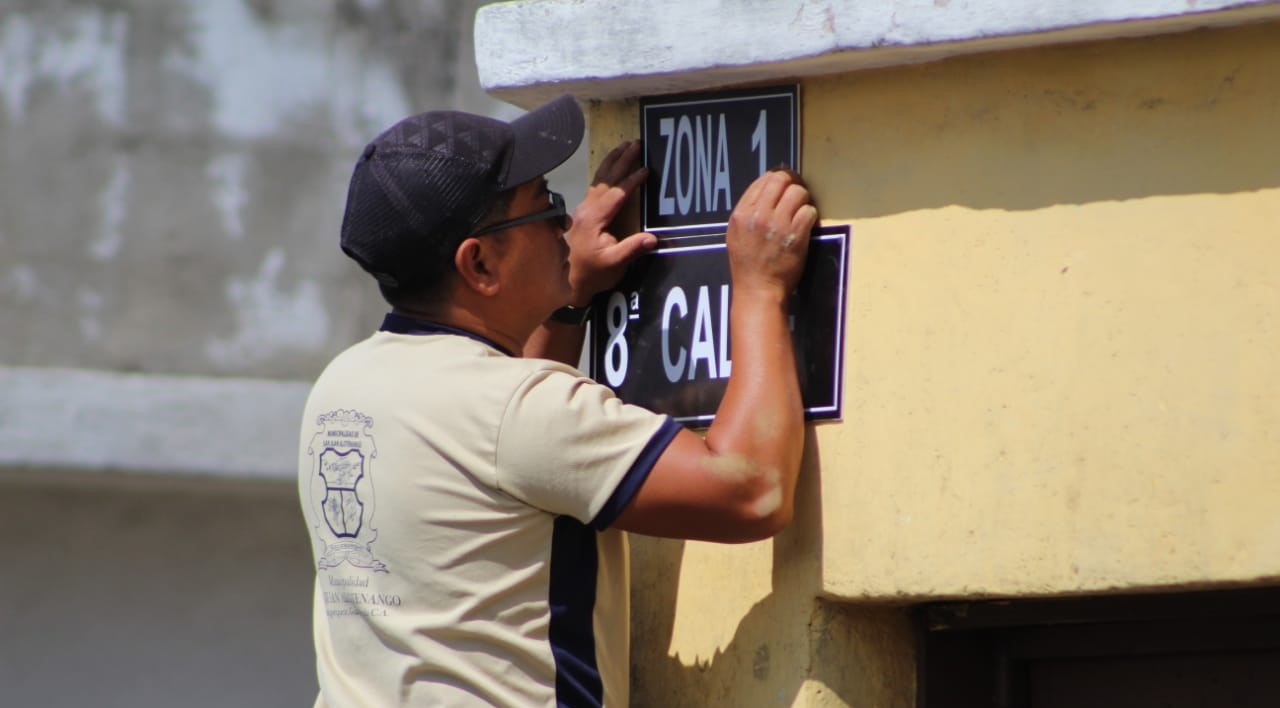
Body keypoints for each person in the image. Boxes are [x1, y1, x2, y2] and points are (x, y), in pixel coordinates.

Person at [297, 94, 818, 707]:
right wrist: (758, 288)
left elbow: (510, 450)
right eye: (545, 209)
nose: (565, 226)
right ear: (480, 263)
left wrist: (568, 292)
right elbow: (751, 491)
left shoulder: (344, 384)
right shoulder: (511, 408)